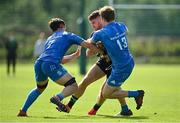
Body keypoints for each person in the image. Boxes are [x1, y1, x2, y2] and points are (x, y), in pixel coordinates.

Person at [17, 18, 95, 117]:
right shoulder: (68, 35)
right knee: (73, 86)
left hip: (39, 63)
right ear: (62, 26)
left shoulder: (50, 39)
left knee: (39, 88)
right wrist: (102, 49)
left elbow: (60, 60)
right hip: (50, 63)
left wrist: (74, 55)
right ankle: (58, 97)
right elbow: (88, 45)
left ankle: (23, 110)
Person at [65, 10, 133, 116]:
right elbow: (88, 53)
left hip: (116, 63)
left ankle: (122, 109)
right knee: (85, 81)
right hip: (104, 61)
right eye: (91, 23)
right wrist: (98, 48)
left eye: (94, 22)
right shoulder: (96, 34)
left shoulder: (113, 29)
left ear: (101, 19)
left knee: (108, 90)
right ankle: (69, 105)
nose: (93, 25)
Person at [86, 6, 145, 116]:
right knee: (113, 86)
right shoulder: (121, 26)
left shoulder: (100, 33)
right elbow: (125, 31)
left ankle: (137, 94)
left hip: (121, 67)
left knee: (106, 93)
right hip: (129, 61)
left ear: (102, 18)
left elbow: (89, 43)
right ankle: (125, 110)